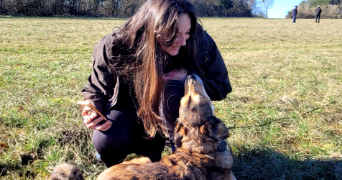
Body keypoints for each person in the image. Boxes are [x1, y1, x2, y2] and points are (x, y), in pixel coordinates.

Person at [81, 0, 232, 168]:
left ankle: (184, 159)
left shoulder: (200, 41)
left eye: (187, 32)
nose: (182, 41)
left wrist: (188, 81)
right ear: (152, 29)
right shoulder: (116, 45)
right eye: (173, 34)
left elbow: (221, 86)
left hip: (175, 113)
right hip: (130, 109)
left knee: (175, 88)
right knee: (106, 140)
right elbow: (96, 89)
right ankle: (111, 159)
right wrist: (92, 107)